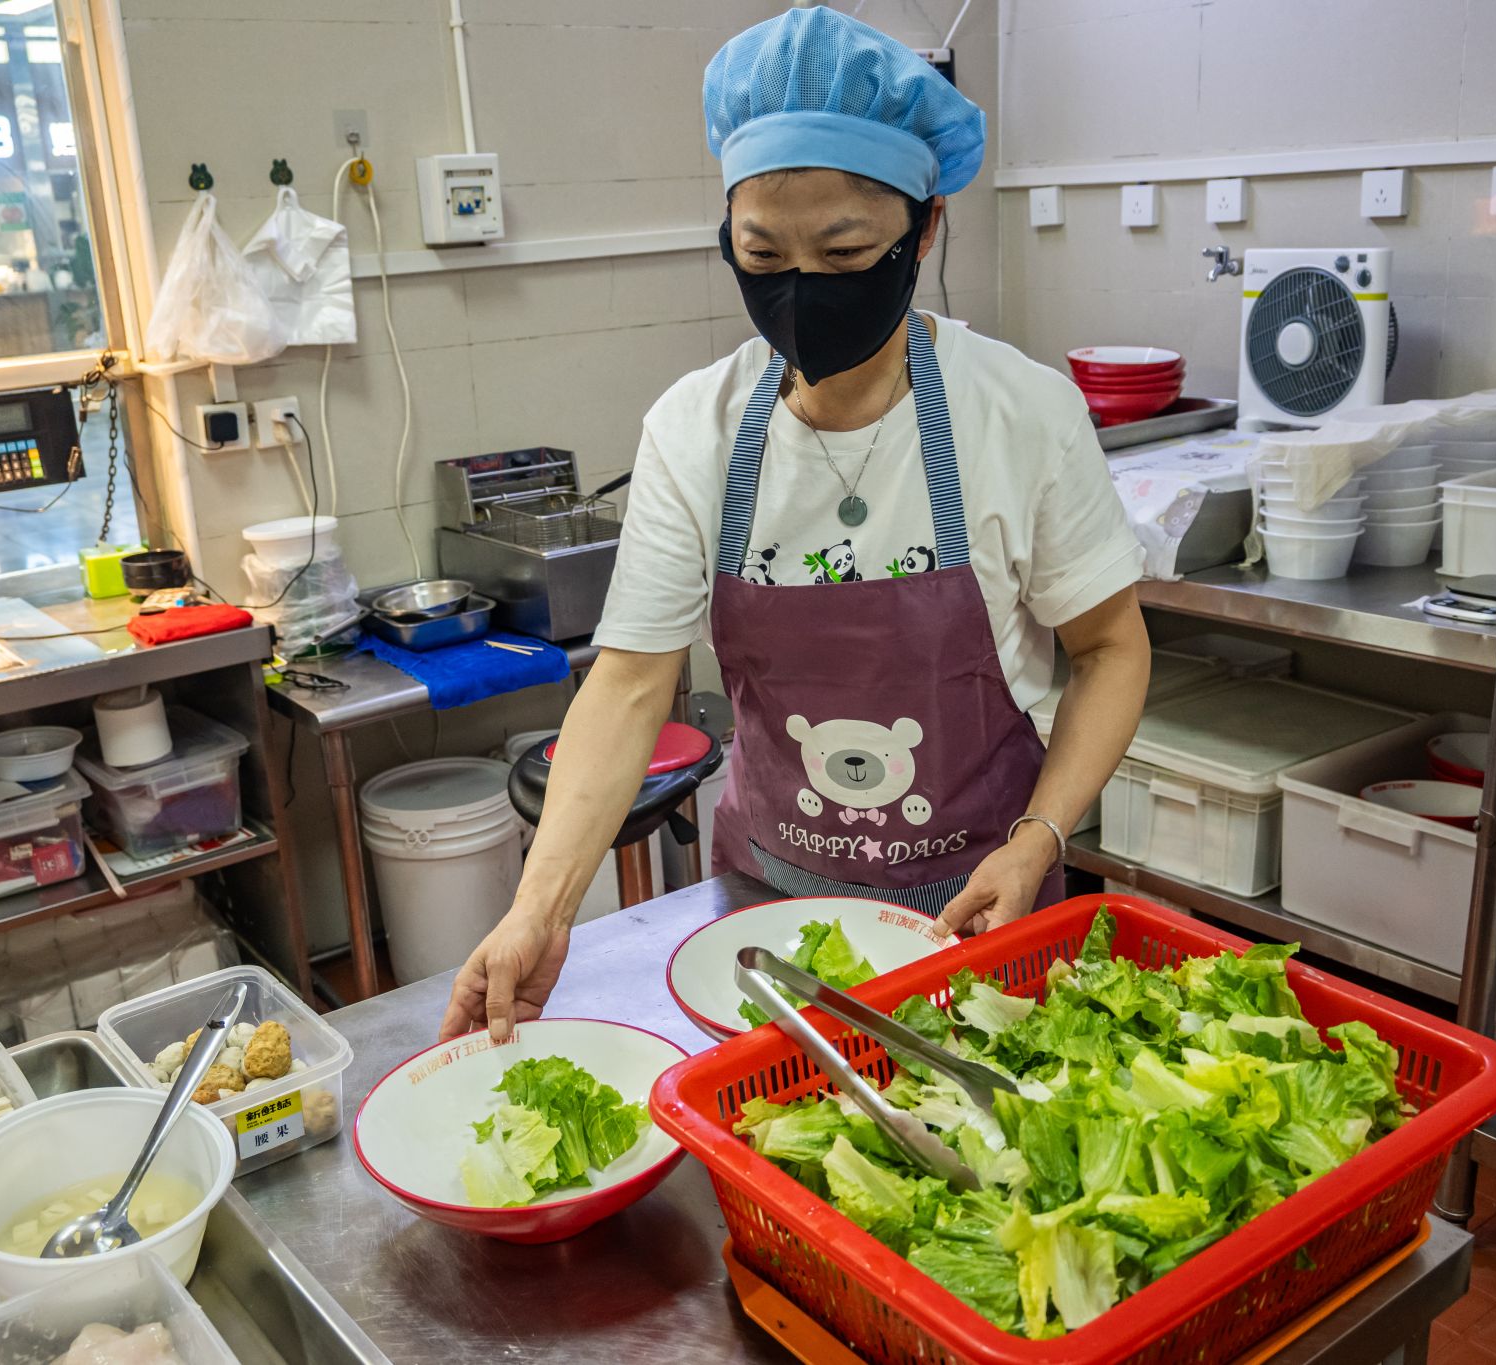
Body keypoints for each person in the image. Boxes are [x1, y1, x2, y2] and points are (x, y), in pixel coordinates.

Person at [438, 7, 1151, 1044]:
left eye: (845, 251)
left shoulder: (1021, 412)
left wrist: (1038, 838)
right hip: (766, 924)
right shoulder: (695, 428)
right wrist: (537, 911)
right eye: (762, 252)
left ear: (924, 230)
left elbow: (1110, 648)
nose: (801, 289)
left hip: (978, 912)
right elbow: (630, 683)